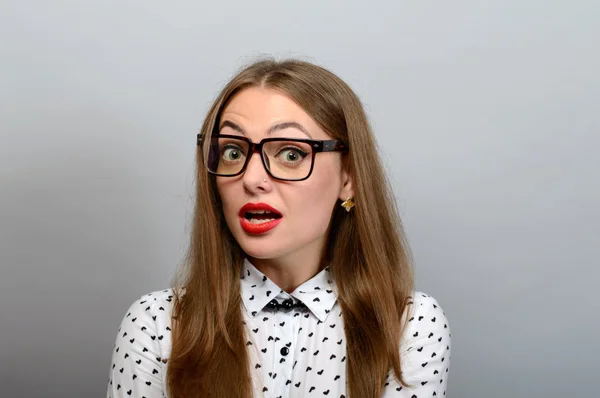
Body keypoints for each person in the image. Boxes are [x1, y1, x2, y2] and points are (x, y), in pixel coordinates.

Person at [106, 58, 451, 398]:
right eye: (233, 152)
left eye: (290, 154)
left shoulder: (409, 326)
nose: (252, 179)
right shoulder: (156, 325)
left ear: (350, 178)